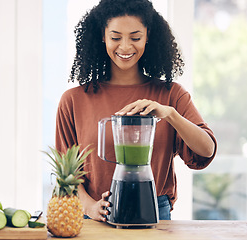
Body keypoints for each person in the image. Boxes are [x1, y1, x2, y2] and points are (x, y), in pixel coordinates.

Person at [55, 0, 217, 221]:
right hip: (93, 215)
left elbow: (206, 150)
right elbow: (66, 173)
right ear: (102, 35)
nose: (125, 47)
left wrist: (170, 114)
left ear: (148, 36)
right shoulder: (73, 100)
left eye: (135, 37)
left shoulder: (171, 95)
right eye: (115, 37)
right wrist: (90, 207)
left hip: (155, 212)